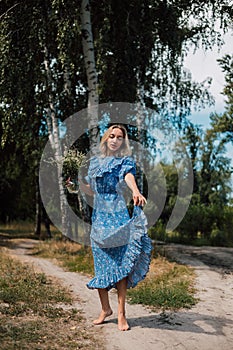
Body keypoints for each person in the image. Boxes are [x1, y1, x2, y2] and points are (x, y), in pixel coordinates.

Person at [70, 124, 152, 331]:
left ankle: (122, 314)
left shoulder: (125, 161)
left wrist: (135, 190)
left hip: (117, 216)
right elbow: (91, 191)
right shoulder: (95, 163)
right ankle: (105, 309)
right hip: (99, 219)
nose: (115, 140)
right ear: (106, 139)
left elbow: (128, 177)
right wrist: (76, 185)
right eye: (112, 136)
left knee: (121, 265)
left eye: (119, 137)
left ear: (123, 142)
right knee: (101, 265)